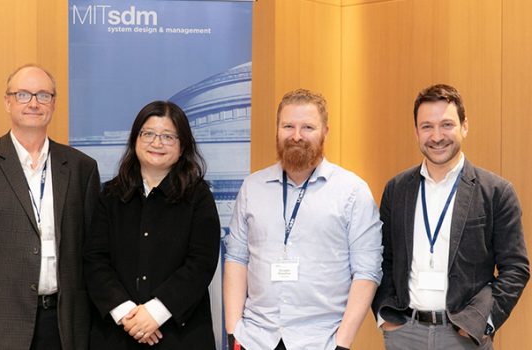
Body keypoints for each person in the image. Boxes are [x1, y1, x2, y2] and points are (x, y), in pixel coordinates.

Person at [0, 64, 101, 349]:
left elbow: (92, 252)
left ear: (54, 103)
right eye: (23, 94)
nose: (34, 103)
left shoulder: (81, 168)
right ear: (7, 101)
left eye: (43, 95)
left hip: (65, 327)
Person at [372, 84, 530, 349]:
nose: (436, 136)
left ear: (464, 126)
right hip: (404, 333)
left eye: (446, 124)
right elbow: (382, 259)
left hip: (463, 334)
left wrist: (483, 321)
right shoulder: (396, 189)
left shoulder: (496, 192)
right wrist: (386, 317)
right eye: (427, 126)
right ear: (416, 131)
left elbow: (515, 268)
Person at [223, 88, 383, 350]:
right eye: (288, 126)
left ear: (325, 131)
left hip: (320, 341)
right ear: (277, 129)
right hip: (256, 338)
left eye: (308, 127)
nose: (296, 136)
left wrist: (342, 343)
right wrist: (233, 331)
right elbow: (237, 259)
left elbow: (367, 270)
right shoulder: (253, 187)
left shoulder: (352, 192)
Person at [84, 100, 220, 349]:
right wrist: (128, 315)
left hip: (180, 333)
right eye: (148, 134)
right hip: (118, 333)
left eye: (168, 136)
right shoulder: (111, 195)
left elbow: (201, 262)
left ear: (182, 146)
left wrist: (156, 312)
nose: (157, 143)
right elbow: (95, 260)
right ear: (135, 139)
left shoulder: (198, 196)